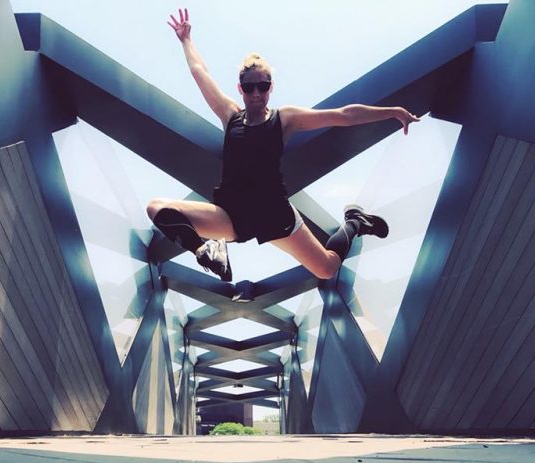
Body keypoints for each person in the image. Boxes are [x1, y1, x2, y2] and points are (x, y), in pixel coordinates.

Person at [147, 9, 420, 283]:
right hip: (232, 215)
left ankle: (354, 222)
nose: (256, 94)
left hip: (274, 213)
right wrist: (186, 40)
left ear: (271, 87)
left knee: (326, 268)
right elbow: (200, 72)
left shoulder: (284, 119)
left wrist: (391, 111)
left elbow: (343, 115)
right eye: (249, 87)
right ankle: (207, 250)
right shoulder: (230, 115)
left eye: (262, 87)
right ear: (240, 88)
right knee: (157, 208)